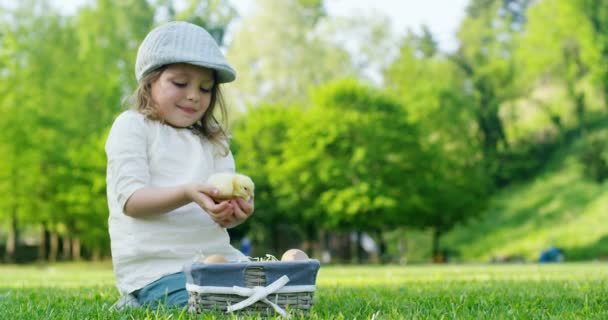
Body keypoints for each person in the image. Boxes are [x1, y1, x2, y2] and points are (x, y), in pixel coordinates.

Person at [105, 21, 254, 310]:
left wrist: (233, 213)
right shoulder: (133, 127)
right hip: (157, 267)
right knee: (210, 304)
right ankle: (136, 298)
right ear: (149, 81)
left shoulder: (214, 142)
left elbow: (221, 214)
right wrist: (187, 192)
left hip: (217, 260)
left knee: (268, 293)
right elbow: (132, 201)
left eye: (205, 87)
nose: (194, 95)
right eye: (180, 83)